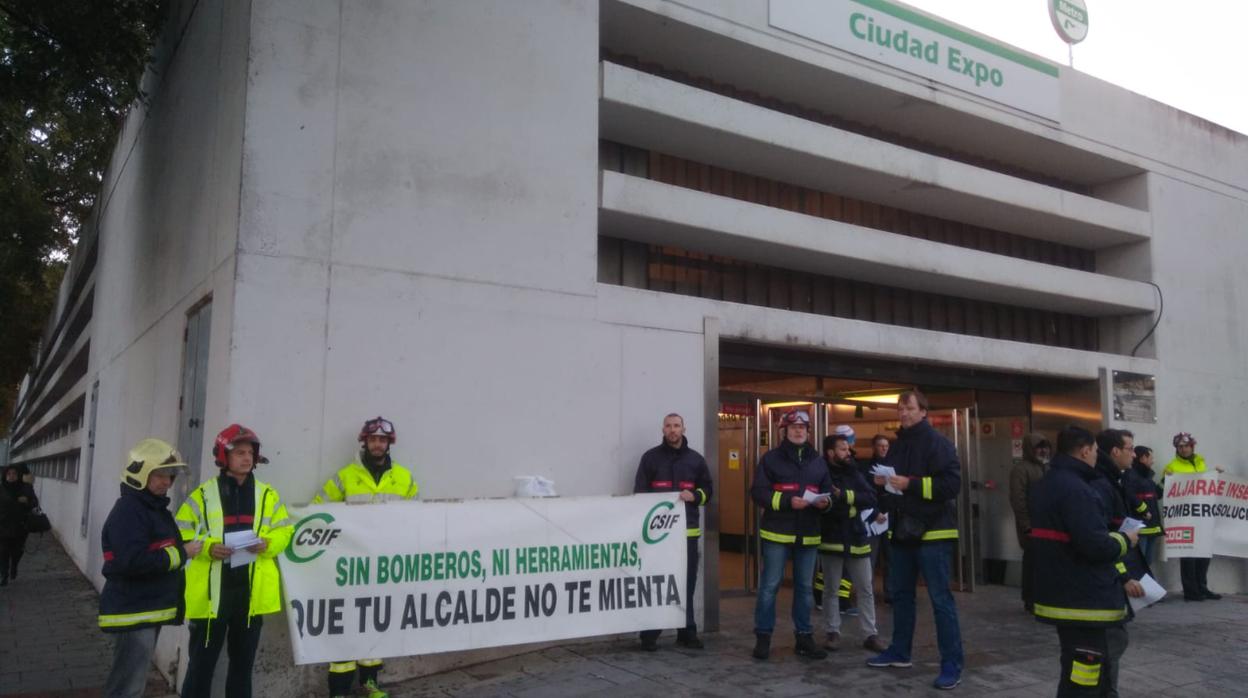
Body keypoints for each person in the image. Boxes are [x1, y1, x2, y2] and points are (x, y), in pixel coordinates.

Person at [176, 424, 293, 698]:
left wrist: (268, 544)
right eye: (239, 452)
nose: (246, 458)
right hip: (211, 598)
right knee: (201, 667)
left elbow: (285, 530)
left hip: (250, 598)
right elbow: (180, 533)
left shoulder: (267, 495)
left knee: (242, 668)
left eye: (250, 453)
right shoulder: (202, 496)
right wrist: (207, 548)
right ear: (223, 457)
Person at [1030, 426, 1142, 697]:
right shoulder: (1077, 489)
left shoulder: (1048, 482)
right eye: (1093, 451)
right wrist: (1126, 539)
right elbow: (1095, 545)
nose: (1095, 456)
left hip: (1062, 594)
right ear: (1084, 450)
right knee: (1086, 676)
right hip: (1084, 600)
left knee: (1078, 671)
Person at [867, 390, 964, 691]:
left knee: (940, 600)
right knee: (901, 596)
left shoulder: (938, 444)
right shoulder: (898, 446)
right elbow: (896, 486)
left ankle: (951, 664)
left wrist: (912, 484)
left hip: (934, 532)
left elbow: (952, 484)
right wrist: (884, 485)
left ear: (923, 411)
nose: (903, 413)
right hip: (903, 532)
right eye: (900, 408)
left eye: (908, 408)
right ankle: (899, 651)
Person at [315, 416, 418, 698]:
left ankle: (370, 683)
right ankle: (338, 690)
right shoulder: (345, 476)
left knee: (376, 624)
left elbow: (417, 518)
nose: (377, 444)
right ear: (365, 442)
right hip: (351, 566)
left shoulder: (404, 478)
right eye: (373, 439)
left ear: (389, 444)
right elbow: (318, 512)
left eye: (382, 440)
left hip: (384, 566)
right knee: (345, 626)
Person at [99, 439, 202, 698]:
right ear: (139, 475)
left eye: (170, 476)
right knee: (126, 688)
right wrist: (182, 553)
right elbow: (132, 561)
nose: (167, 482)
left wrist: (182, 546)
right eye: (159, 475)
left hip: (144, 609)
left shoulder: (151, 508)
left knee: (133, 683)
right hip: (134, 611)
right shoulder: (130, 510)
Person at [750, 409, 832, 661]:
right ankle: (763, 638)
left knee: (805, 589)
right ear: (784, 431)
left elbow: (828, 492)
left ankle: (804, 637)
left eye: (803, 427)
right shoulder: (771, 459)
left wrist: (824, 503)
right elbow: (758, 492)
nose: (799, 431)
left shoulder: (818, 461)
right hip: (777, 533)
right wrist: (787, 502)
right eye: (794, 427)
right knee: (769, 587)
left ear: (808, 432)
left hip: (808, 535)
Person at [633, 412, 713, 650]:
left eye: (676, 425)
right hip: (658, 537)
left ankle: (687, 632)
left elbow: (708, 490)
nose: (672, 430)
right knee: (657, 583)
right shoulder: (650, 459)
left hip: (687, 535)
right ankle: (650, 634)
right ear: (663, 430)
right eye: (668, 426)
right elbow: (639, 493)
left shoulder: (696, 460)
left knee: (686, 584)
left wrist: (696, 495)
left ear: (684, 429)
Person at [1092, 428, 1148, 698]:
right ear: (1115, 451)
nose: (1134, 454)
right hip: (1107, 580)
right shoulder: (1102, 484)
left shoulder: (1116, 480)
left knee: (1111, 644)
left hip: (1114, 572)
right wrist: (1123, 576)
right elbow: (1104, 539)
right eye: (1130, 448)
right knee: (1110, 644)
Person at [818, 433, 886, 653]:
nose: (848, 453)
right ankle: (832, 632)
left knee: (866, 588)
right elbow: (827, 502)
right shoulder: (822, 473)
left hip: (856, 538)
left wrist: (845, 497)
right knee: (831, 589)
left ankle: (870, 634)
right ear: (830, 453)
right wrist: (850, 502)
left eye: (847, 449)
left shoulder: (854, 471)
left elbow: (870, 497)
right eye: (842, 449)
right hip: (832, 538)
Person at [1163, 432, 1223, 601]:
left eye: (1186, 446)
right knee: (1188, 555)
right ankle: (1191, 591)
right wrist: (1165, 479)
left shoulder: (1201, 462)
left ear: (1192, 447)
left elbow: (1207, 485)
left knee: (1204, 553)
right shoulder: (1171, 466)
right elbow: (1165, 490)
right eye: (1180, 446)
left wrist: (1217, 475)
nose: (1183, 449)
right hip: (1185, 517)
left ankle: (1202, 587)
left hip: (1201, 517)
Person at [1008, 434, 1051, 613]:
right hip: (1031, 525)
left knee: (1044, 563)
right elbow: (1018, 500)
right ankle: (1031, 599)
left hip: (1047, 524)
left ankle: (1042, 597)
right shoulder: (1021, 469)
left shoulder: (1048, 468)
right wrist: (1026, 525)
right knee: (1032, 562)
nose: (1043, 450)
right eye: (1038, 447)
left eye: (1045, 447)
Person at [862, 434, 892, 604]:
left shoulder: (894, 467)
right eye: (880, 445)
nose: (883, 448)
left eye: (886, 446)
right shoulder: (866, 468)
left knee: (891, 557)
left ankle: (891, 593)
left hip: (889, 517)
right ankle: (868, 593)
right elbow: (864, 492)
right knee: (870, 558)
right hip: (873, 518)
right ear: (874, 447)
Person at [0, 464, 39, 585]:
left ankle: (14, 566)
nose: (11, 476)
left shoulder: (26, 488)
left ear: (18, 476)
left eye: (14, 474)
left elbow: (35, 503)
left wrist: (27, 501)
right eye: (9, 474)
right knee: (3, 551)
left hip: (20, 526)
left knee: (17, 551)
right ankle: (4, 575)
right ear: (5, 476)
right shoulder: (1, 488)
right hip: (3, 525)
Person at [1128, 446, 1164, 566]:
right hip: (1140, 529)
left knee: (1147, 563)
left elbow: (1157, 495)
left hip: (1152, 527)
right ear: (1143, 458)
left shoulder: (1147, 477)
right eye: (1151, 458)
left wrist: (1165, 480)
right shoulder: (1131, 475)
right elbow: (1130, 496)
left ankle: (1146, 584)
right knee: (1140, 563)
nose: (1153, 461)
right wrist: (1144, 510)